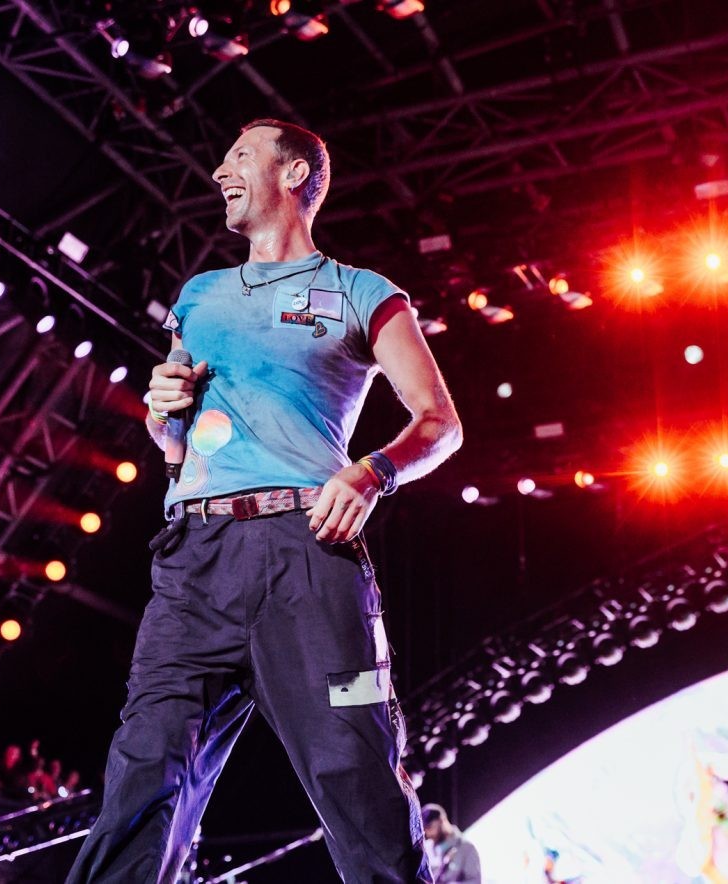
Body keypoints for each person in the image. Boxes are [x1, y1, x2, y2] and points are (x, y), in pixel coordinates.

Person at [66, 118, 462, 884]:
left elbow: (439, 422)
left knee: (356, 773)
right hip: (193, 563)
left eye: (239, 156)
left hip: (307, 559)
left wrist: (372, 473)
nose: (220, 172)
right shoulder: (199, 296)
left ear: (293, 174)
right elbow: (175, 439)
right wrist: (161, 412)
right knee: (144, 771)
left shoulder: (362, 293)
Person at [422, 804, 482, 884]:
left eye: (429, 827)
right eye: (424, 829)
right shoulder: (425, 848)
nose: (427, 833)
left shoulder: (467, 848)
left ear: (442, 821)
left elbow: (475, 882)